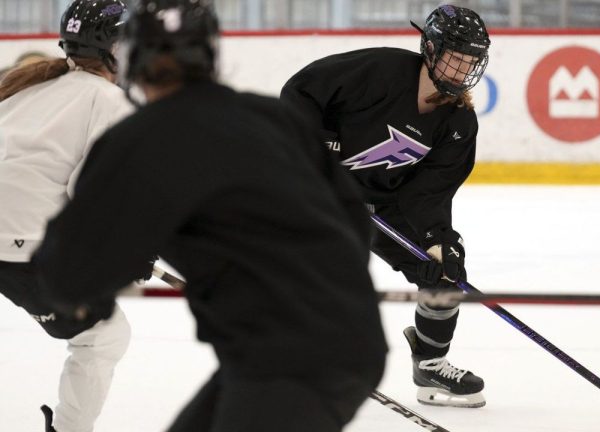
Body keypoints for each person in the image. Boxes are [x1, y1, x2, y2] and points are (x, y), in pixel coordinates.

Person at [32, 1, 388, 431]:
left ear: (131, 59)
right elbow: (355, 227)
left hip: (289, 363)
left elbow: (67, 275)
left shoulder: (138, 139)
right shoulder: (272, 117)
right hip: (334, 340)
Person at [281, 4, 491, 408]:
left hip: (383, 201)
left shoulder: (459, 123)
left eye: (470, 63)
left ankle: (430, 366)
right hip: (320, 188)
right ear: (430, 49)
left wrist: (437, 241)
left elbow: (428, 193)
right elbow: (301, 92)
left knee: (445, 274)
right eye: (455, 58)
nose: (462, 70)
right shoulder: (380, 70)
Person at [0, 1, 134, 431]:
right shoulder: (109, 101)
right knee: (103, 337)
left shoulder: (25, 87)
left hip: (15, 237)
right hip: (22, 245)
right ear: (113, 48)